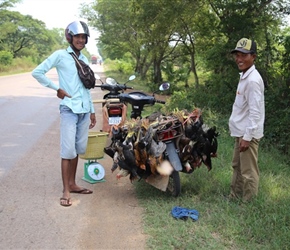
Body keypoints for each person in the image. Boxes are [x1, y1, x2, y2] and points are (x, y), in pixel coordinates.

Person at [32, 21, 96, 207]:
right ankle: (65, 190)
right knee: (67, 150)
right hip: (69, 109)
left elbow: (86, 89)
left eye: (83, 37)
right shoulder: (60, 55)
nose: (81, 40)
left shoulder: (83, 59)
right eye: (77, 37)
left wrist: (92, 111)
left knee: (78, 149)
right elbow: (38, 72)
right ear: (70, 37)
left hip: (84, 111)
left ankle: (73, 184)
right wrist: (56, 89)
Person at [228, 38, 265, 202]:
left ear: (253, 56)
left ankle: (248, 203)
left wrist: (247, 138)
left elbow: (255, 113)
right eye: (237, 54)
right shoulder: (245, 76)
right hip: (241, 132)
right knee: (237, 166)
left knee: (248, 171)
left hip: (247, 135)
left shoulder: (253, 80)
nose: (239, 59)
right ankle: (234, 197)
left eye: (244, 55)